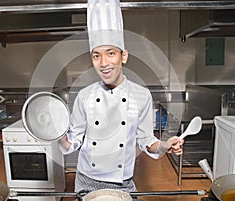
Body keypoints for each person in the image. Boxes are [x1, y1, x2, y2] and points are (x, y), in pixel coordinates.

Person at [58, 0, 184, 193]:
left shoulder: (142, 96)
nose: (104, 62)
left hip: (123, 182)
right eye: (96, 55)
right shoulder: (84, 96)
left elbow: (146, 141)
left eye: (110, 53)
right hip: (85, 181)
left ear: (123, 56)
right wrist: (56, 133)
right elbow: (72, 142)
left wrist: (165, 145)